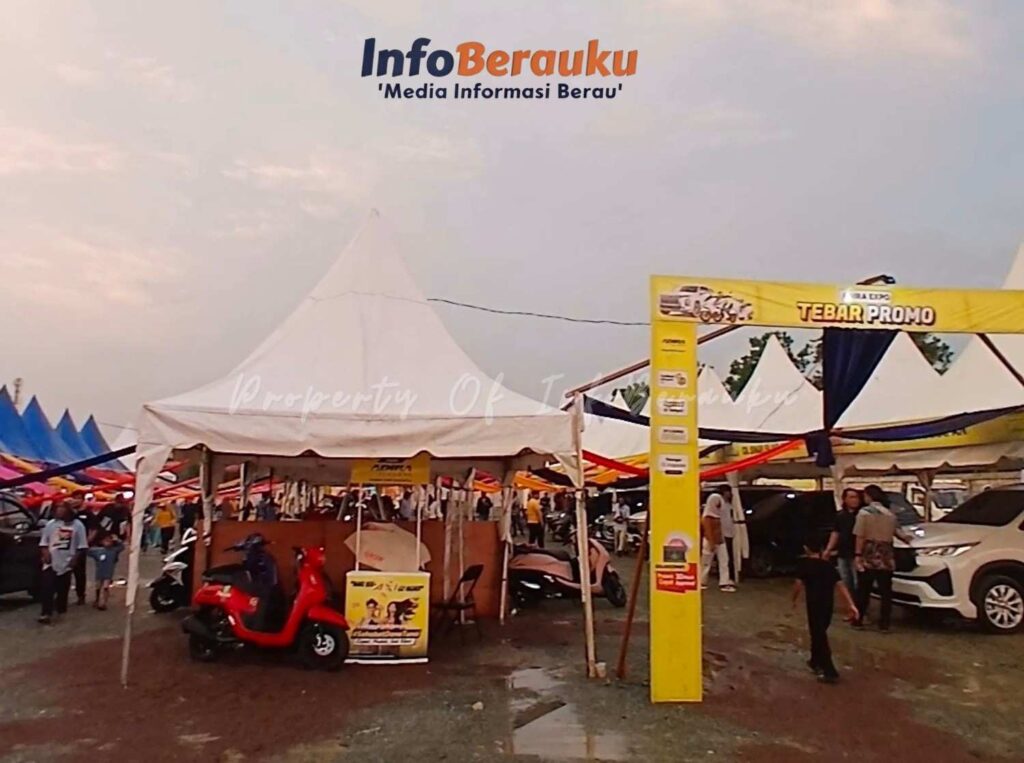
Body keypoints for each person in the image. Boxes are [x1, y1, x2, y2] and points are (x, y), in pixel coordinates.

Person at [792, 533, 859, 684]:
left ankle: (830, 670)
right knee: (819, 633)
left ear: (806, 549)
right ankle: (815, 661)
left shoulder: (804, 566)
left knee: (819, 635)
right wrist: (851, 605)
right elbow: (841, 586)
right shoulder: (829, 567)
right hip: (828, 605)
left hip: (814, 605)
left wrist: (794, 599)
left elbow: (798, 585)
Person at [853, 484, 912, 632]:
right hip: (886, 554)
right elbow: (899, 533)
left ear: (868, 496)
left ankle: (858, 619)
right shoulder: (890, 514)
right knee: (886, 590)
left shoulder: (864, 513)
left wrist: (858, 555)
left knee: (864, 589)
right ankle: (884, 623)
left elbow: (860, 535)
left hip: (869, 552)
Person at [38, 501, 88, 625]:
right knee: (47, 587)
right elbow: (44, 542)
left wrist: (75, 559)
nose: (59, 511)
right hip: (51, 562)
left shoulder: (78, 526)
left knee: (62, 589)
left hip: (66, 562)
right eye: (57, 508)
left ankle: (60, 610)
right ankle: (46, 613)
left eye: (62, 508)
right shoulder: (51, 524)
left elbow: (82, 545)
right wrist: (45, 553)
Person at [87, 492, 130, 610]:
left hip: (113, 542)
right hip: (104, 541)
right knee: (102, 571)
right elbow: (97, 524)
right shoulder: (108, 509)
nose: (120, 505)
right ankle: (99, 598)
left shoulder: (125, 511)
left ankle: (102, 598)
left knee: (106, 570)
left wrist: (125, 539)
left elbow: (127, 525)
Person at [827, 488, 864, 600]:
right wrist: (829, 549)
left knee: (858, 582)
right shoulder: (840, 515)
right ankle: (850, 603)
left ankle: (859, 604)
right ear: (845, 499)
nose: (855, 500)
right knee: (846, 580)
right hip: (843, 552)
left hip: (857, 553)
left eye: (856, 497)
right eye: (851, 497)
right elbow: (836, 533)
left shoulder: (862, 515)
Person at [701, 486, 736, 592]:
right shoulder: (715, 498)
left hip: (719, 536)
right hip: (713, 535)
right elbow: (707, 520)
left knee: (723, 560)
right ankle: (702, 580)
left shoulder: (724, 503)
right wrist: (711, 539)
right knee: (707, 560)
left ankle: (724, 582)